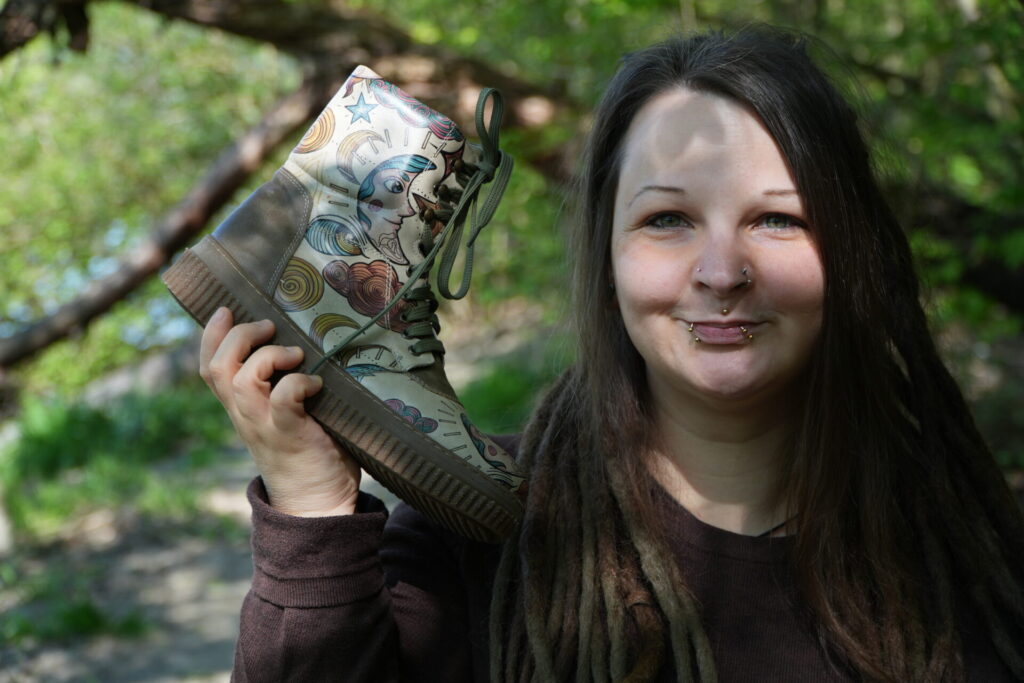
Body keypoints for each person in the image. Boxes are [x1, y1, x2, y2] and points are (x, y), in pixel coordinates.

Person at [198, 27, 1024, 682]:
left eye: (780, 219)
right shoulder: (483, 544)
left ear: (850, 250)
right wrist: (310, 505)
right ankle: (324, 283)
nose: (723, 272)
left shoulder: (967, 543)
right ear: (607, 260)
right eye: (667, 220)